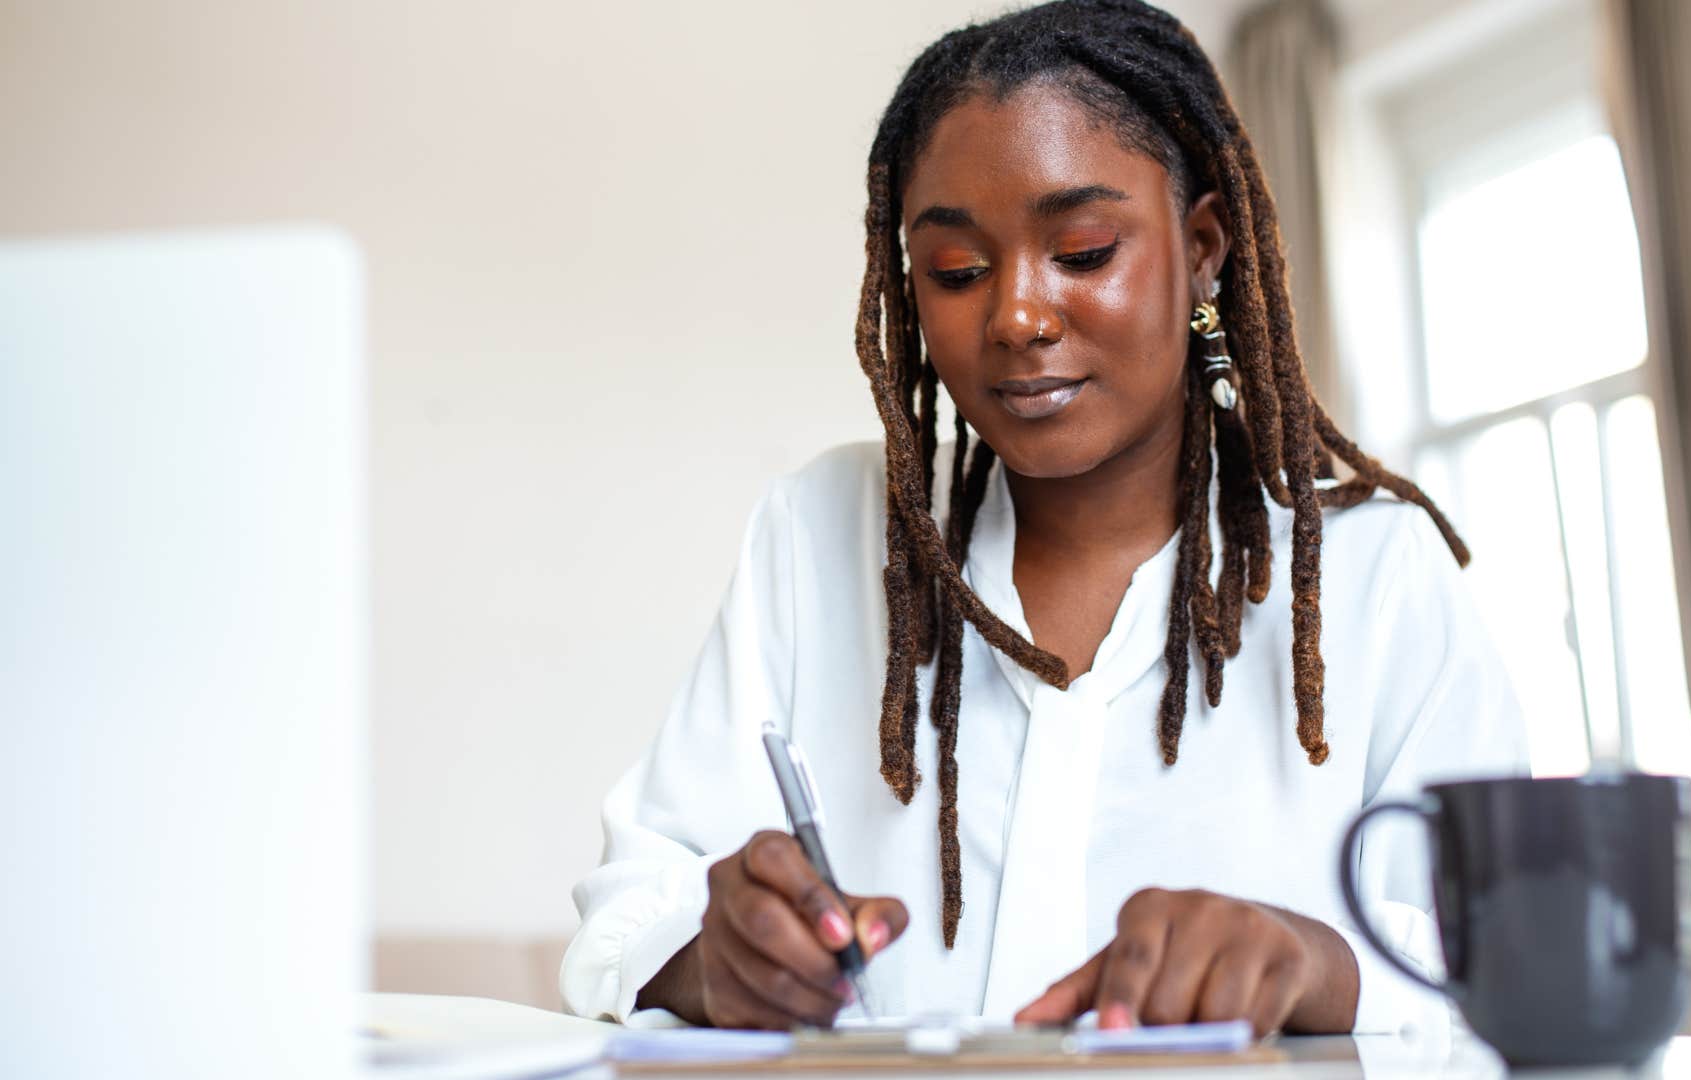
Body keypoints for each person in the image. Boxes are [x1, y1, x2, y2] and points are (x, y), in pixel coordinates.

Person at [561, 0, 1527, 1037]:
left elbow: (1516, 971)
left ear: (1203, 248)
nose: (1016, 315)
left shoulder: (1375, 577)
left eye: (1082, 250)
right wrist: (714, 961)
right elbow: (628, 918)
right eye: (958, 271)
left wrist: (1317, 966)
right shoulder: (820, 535)